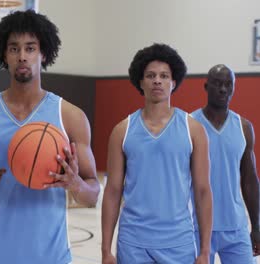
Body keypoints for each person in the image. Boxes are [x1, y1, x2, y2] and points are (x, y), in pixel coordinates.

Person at [0, 10, 100, 264]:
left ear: (43, 54)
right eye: (14, 49)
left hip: (50, 257)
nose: (22, 56)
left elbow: (92, 195)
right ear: (4, 55)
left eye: (30, 48)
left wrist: (75, 184)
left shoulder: (70, 117)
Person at [101, 43, 213, 264]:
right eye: (150, 75)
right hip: (133, 242)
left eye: (164, 76)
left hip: (178, 243)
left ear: (174, 82)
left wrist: (205, 250)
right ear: (140, 82)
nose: (157, 81)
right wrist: (106, 250)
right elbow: (113, 191)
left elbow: (202, 191)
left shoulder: (194, 130)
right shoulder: (122, 131)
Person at [191, 64, 260, 263]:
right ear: (206, 86)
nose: (223, 89)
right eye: (217, 83)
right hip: (197, 227)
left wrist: (256, 227)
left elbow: (250, 179)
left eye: (228, 84)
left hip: (235, 227)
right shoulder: (190, 124)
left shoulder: (244, 128)